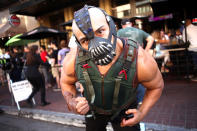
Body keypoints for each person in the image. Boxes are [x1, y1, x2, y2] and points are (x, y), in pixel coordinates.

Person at [61, 5, 164, 131]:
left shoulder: (139, 59)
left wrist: (142, 112)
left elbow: (156, 86)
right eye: (85, 40)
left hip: (125, 110)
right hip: (93, 111)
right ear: (78, 43)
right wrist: (71, 102)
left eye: (100, 31)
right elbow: (65, 83)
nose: (96, 44)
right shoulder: (73, 59)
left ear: (113, 27)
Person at [117, 18, 155, 106]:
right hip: (139, 57)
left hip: (126, 58)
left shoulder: (119, 32)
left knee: (127, 78)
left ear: (122, 25)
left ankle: (129, 99)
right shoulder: (139, 31)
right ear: (131, 24)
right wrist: (145, 51)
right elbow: (151, 39)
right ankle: (141, 99)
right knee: (140, 77)